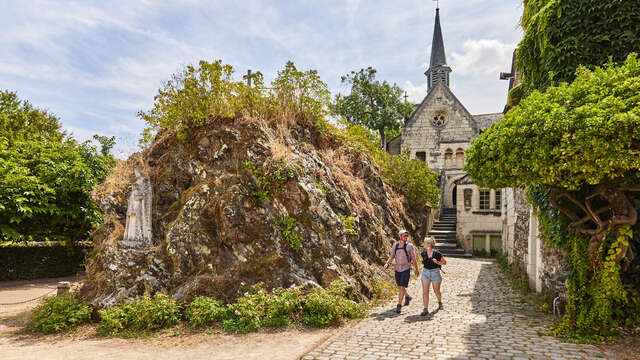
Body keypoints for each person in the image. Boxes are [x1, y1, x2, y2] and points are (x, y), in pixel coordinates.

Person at [384, 229, 420, 313]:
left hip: (406, 268)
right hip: (397, 269)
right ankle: (407, 296)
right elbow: (392, 256)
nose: (406, 237)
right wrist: (387, 263)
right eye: (404, 236)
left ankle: (399, 305)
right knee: (400, 286)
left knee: (402, 286)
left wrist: (416, 269)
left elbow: (414, 259)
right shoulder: (395, 245)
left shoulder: (410, 246)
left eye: (407, 236)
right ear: (400, 237)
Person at [420, 236, 446, 316]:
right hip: (425, 273)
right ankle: (425, 309)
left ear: (429, 244)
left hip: (435, 273)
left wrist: (437, 262)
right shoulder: (423, 253)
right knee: (425, 291)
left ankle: (439, 302)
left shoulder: (437, 253)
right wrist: (422, 261)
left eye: (424, 243)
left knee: (436, 291)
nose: (423, 244)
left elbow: (444, 262)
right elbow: (422, 261)